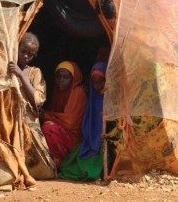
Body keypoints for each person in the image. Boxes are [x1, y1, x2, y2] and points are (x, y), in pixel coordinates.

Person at [8, 32, 56, 179]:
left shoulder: (35, 72)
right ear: (16, 48)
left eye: (31, 54)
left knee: (46, 168)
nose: (26, 56)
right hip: (9, 119)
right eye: (23, 52)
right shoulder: (8, 67)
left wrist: (22, 76)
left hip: (28, 122)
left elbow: (38, 99)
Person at [59, 62, 107, 180]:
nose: (98, 85)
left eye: (102, 81)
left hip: (105, 140)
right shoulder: (92, 98)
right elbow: (87, 121)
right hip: (90, 141)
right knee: (76, 164)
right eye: (94, 82)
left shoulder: (110, 99)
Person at [41, 61, 87, 167]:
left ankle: (59, 162)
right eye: (58, 77)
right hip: (63, 135)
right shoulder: (58, 92)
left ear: (73, 78)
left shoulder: (78, 92)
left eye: (66, 77)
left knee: (49, 127)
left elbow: (69, 122)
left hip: (75, 139)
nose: (60, 80)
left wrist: (46, 115)